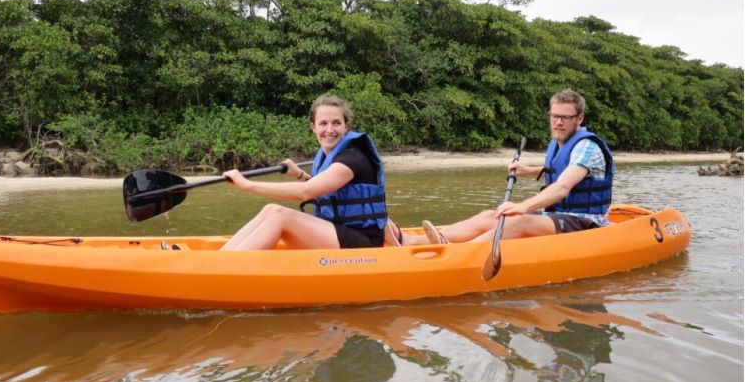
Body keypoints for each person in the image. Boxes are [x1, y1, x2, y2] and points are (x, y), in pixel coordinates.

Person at [404, 89, 615, 245]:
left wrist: (523, 207)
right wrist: (530, 170)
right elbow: (560, 170)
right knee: (492, 215)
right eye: (554, 116)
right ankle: (415, 242)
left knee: (518, 221)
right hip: (558, 216)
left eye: (565, 117)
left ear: (579, 118)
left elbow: (563, 187)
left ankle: (459, 254)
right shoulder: (560, 142)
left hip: (586, 222)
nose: (558, 122)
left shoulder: (587, 147)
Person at [220, 95, 396, 251]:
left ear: (346, 126)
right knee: (270, 209)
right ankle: (222, 260)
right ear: (313, 127)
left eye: (336, 123)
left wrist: (247, 184)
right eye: (323, 123)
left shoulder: (352, 159)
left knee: (280, 216)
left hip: (363, 242)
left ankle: (226, 270)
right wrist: (300, 175)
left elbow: (305, 193)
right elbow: (328, 191)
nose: (330, 130)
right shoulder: (329, 156)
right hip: (338, 230)